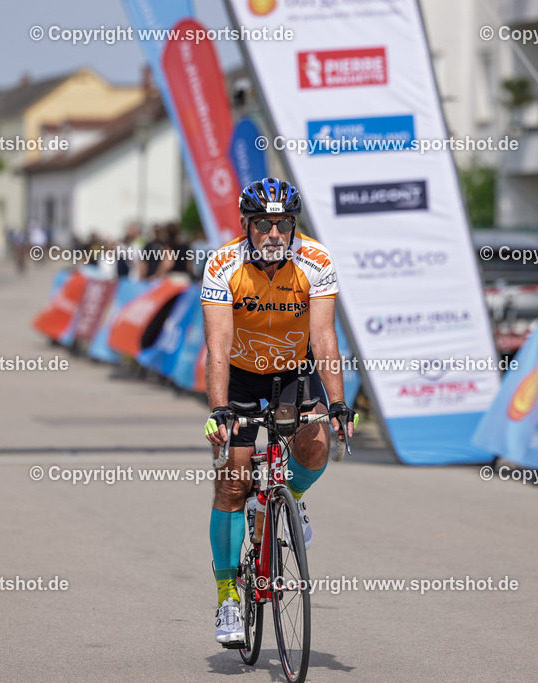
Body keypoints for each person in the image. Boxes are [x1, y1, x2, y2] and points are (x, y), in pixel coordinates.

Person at [201, 178, 357, 646]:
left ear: (294, 226)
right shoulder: (222, 264)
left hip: (294, 370)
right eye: (264, 224)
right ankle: (228, 597)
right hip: (241, 373)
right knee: (233, 481)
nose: (274, 233)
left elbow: (324, 337)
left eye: (284, 224)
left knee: (316, 446)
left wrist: (338, 403)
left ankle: (292, 497)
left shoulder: (316, 260)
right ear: (246, 225)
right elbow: (218, 344)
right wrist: (220, 410)